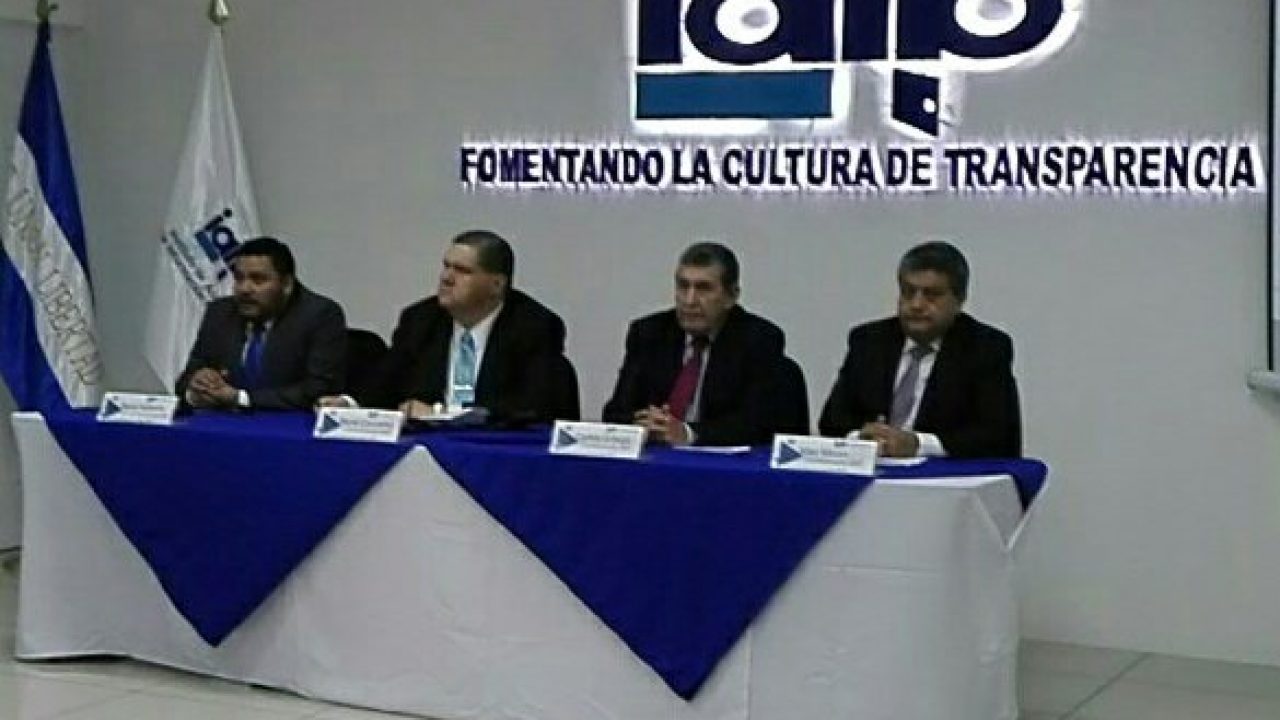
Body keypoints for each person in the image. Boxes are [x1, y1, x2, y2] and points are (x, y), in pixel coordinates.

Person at [337, 230, 570, 422]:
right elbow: (386, 381)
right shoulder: (420, 320)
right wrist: (349, 404)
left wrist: (443, 414)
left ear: (497, 285)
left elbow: (531, 407)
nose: (446, 278)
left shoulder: (535, 326)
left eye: (462, 271)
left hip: (494, 448)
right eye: (446, 266)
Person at [818, 240, 1021, 457]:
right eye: (908, 292)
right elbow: (831, 422)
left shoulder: (985, 348)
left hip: (942, 475)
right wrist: (861, 437)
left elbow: (998, 437)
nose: (916, 305)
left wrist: (918, 444)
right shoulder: (869, 341)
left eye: (931, 295)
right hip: (873, 468)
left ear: (959, 300)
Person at [602, 241, 785, 446]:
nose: (689, 300)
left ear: (731, 296)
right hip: (656, 458)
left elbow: (757, 424)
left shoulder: (759, 340)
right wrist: (643, 423)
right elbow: (616, 412)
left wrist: (688, 433)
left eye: (703, 288)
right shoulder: (649, 333)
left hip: (719, 462)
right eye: (683, 286)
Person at [176, 236, 346, 410]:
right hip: (223, 422)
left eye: (258, 279)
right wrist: (198, 384)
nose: (244, 289)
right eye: (239, 278)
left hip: (287, 423)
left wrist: (240, 398)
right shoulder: (220, 312)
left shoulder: (319, 315)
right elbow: (184, 381)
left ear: (287, 284)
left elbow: (318, 390)